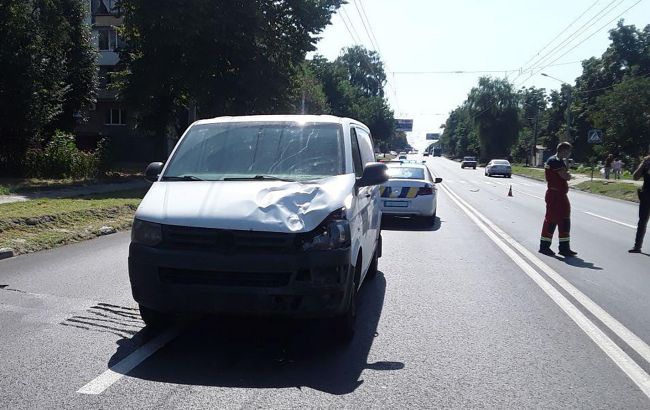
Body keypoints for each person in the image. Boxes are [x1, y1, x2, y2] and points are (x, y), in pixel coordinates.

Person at [539, 142, 577, 257]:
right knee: (551, 220)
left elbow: (565, 174)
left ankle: (564, 247)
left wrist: (567, 172)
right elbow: (565, 176)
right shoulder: (554, 161)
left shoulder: (558, 161)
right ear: (563, 150)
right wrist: (568, 174)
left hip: (560, 195)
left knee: (564, 220)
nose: (569, 154)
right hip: (555, 195)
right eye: (568, 151)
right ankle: (544, 246)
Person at [629, 154, 650, 253]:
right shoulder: (647, 163)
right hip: (646, 196)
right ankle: (637, 246)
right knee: (642, 222)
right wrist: (642, 165)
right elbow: (635, 177)